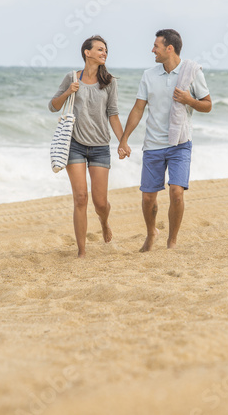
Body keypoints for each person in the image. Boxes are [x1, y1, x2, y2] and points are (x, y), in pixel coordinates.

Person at [118, 29, 212, 252]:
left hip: (180, 143)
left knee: (176, 193)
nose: (152, 50)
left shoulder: (192, 73)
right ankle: (152, 233)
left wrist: (189, 100)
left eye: (156, 46)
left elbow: (207, 105)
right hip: (153, 145)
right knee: (149, 197)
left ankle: (172, 240)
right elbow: (138, 109)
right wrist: (124, 139)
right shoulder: (149, 75)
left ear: (169, 48)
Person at [49, 35, 125, 258]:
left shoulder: (109, 82)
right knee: (80, 197)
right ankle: (81, 251)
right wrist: (68, 92)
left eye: (106, 50)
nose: (104, 53)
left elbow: (113, 114)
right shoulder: (72, 77)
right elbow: (53, 106)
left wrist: (123, 142)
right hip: (75, 145)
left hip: (101, 146)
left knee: (100, 203)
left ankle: (104, 221)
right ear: (87, 52)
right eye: (100, 49)